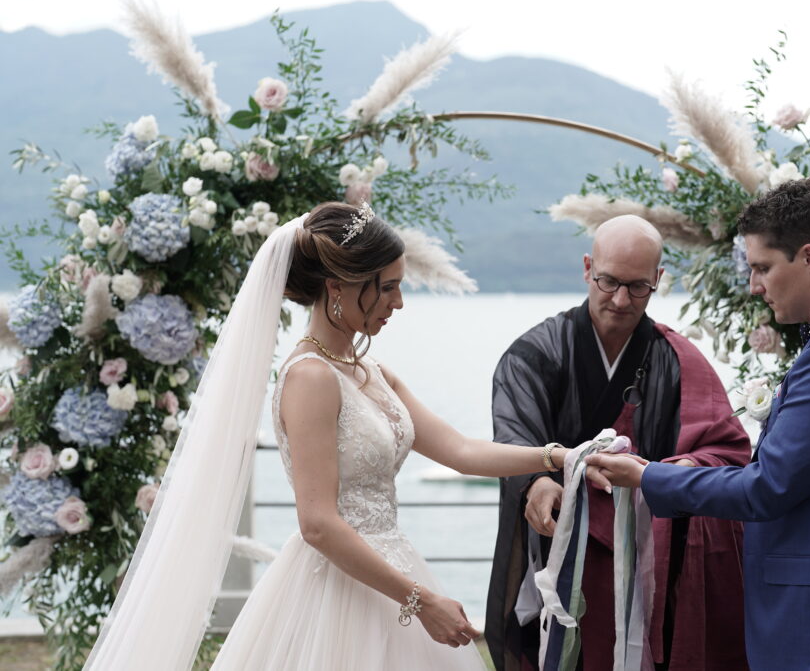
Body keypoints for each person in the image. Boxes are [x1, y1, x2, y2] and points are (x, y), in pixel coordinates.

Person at [84, 202, 572, 671]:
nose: (398, 303)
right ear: (338, 287)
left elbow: (461, 451)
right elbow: (317, 523)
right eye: (388, 289)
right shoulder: (311, 378)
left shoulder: (370, 371)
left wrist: (560, 457)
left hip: (394, 569)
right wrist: (421, 603)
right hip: (336, 592)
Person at [587, 179, 810, 669]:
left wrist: (647, 475)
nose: (754, 285)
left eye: (762, 267)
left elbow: (766, 487)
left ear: (809, 257)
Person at [486, 215, 751, 671]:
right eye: (608, 282)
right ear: (587, 268)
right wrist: (535, 482)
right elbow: (514, 432)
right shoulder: (534, 354)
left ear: (659, 281)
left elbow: (727, 451)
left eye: (638, 286)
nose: (621, 299)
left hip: (650, 560)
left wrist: (663, 474)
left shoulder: (677, 359)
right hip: (562, 549)